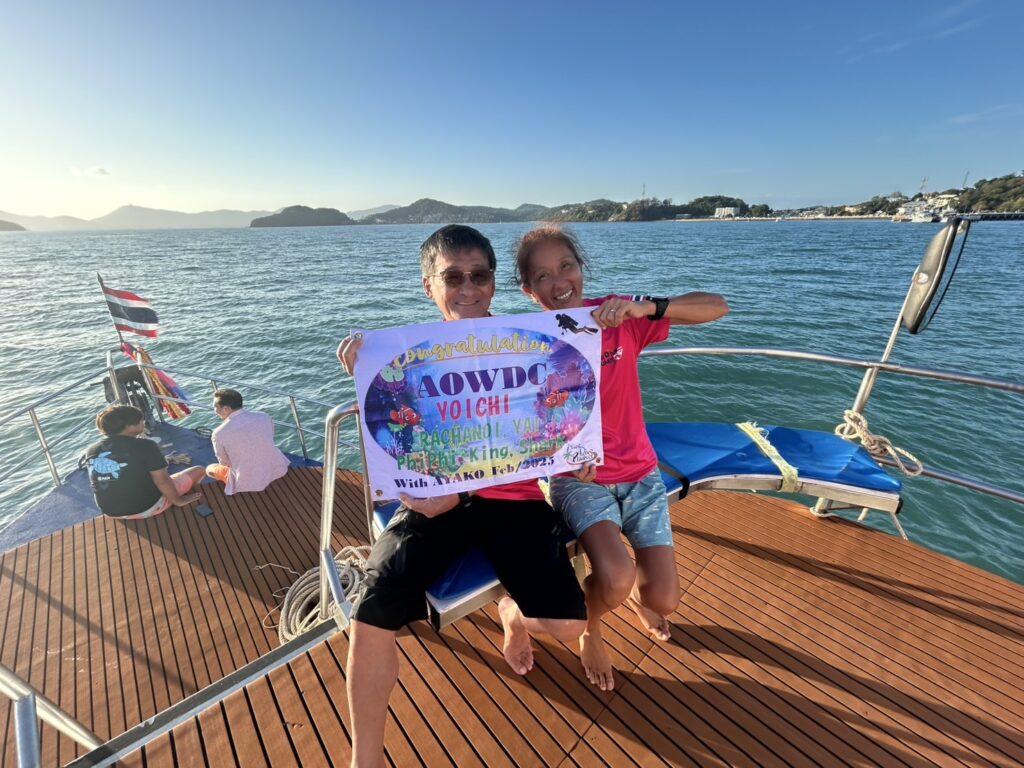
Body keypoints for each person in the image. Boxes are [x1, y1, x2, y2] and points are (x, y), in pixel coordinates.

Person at [337, 224, 587, 768]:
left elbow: (564, 415)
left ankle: (513, 614)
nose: (469, 288)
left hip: (515, 496)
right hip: (436, 499)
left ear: (495, 283)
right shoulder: (401, 359)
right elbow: (391, 445)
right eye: (454, 277)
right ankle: (366, 759)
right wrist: (367, 381)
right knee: (372, 609)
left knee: (568, 627)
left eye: (480, 276)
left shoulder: (534, 345)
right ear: (430, 285)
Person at [514, 224, 729, 692]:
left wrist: (644, 306)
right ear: (529, 290)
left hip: (641, 473)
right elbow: (522, 431)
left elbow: (717, 307)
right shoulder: (526, 344)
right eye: (544, 275)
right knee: (614, 577)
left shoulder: (617, 318)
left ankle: (633, 600)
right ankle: (590, 630)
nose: (559, 281)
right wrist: (561, 461)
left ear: (581, 268)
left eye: (566, 266)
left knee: (665, 598)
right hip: (581, 480)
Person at [85, 404, 205, 518]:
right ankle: (183, 497)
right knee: (198, 470)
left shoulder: (91, 450)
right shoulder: (146, 445)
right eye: (140, 421)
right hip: (147, 508)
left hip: (110, 512)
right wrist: (179, 501)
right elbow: (162, 481)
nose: (144, 423)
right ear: (128, 426)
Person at [205, 388, 290, 494]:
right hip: (276, 468)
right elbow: (270, 437)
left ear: (226, 409)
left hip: (248, 480)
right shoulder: (264, 416)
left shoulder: (219, 433)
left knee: (209, 469)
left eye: (215, 407)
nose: (214, 410)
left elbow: (224, 462)